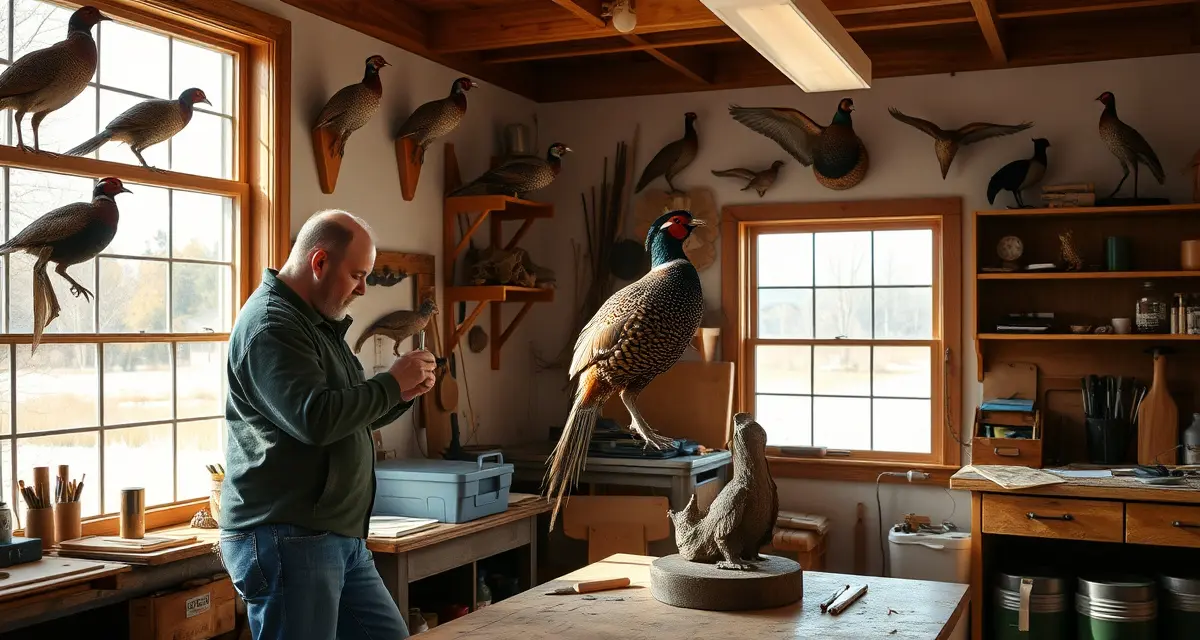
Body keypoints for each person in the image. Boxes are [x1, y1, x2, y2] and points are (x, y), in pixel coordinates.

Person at [218, 209, 436, 640]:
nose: (362, 288)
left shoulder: (314, 324)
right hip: (289, 536)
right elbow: (314, 419)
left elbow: (343, 411)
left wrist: (401, 394)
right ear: (319, 262)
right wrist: (390, 385)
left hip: (334, 534)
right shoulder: (272, 326)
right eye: (357, 275)